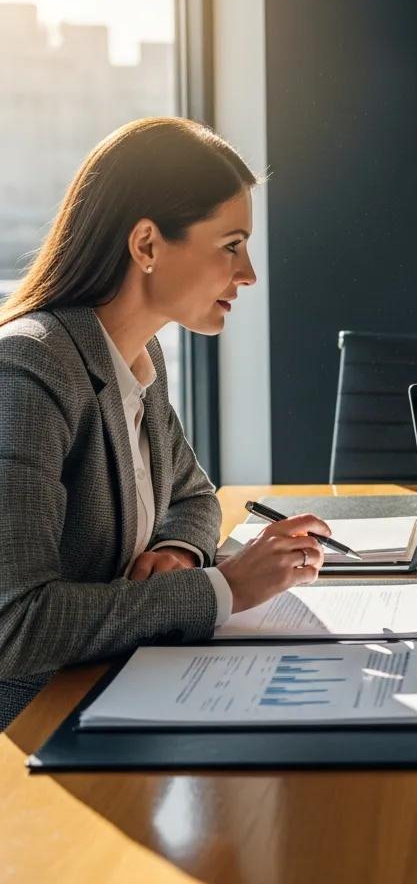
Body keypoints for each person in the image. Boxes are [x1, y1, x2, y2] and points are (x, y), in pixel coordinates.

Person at [0, 118, 330, 729]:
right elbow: (14, 627)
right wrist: (224, 589)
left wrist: (177, 551)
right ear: (147, 245)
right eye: (231, 245)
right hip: (38, 726)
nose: (249, 273)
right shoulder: (28, 370)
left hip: (125, 689)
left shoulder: (137, 356)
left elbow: (193, 497)